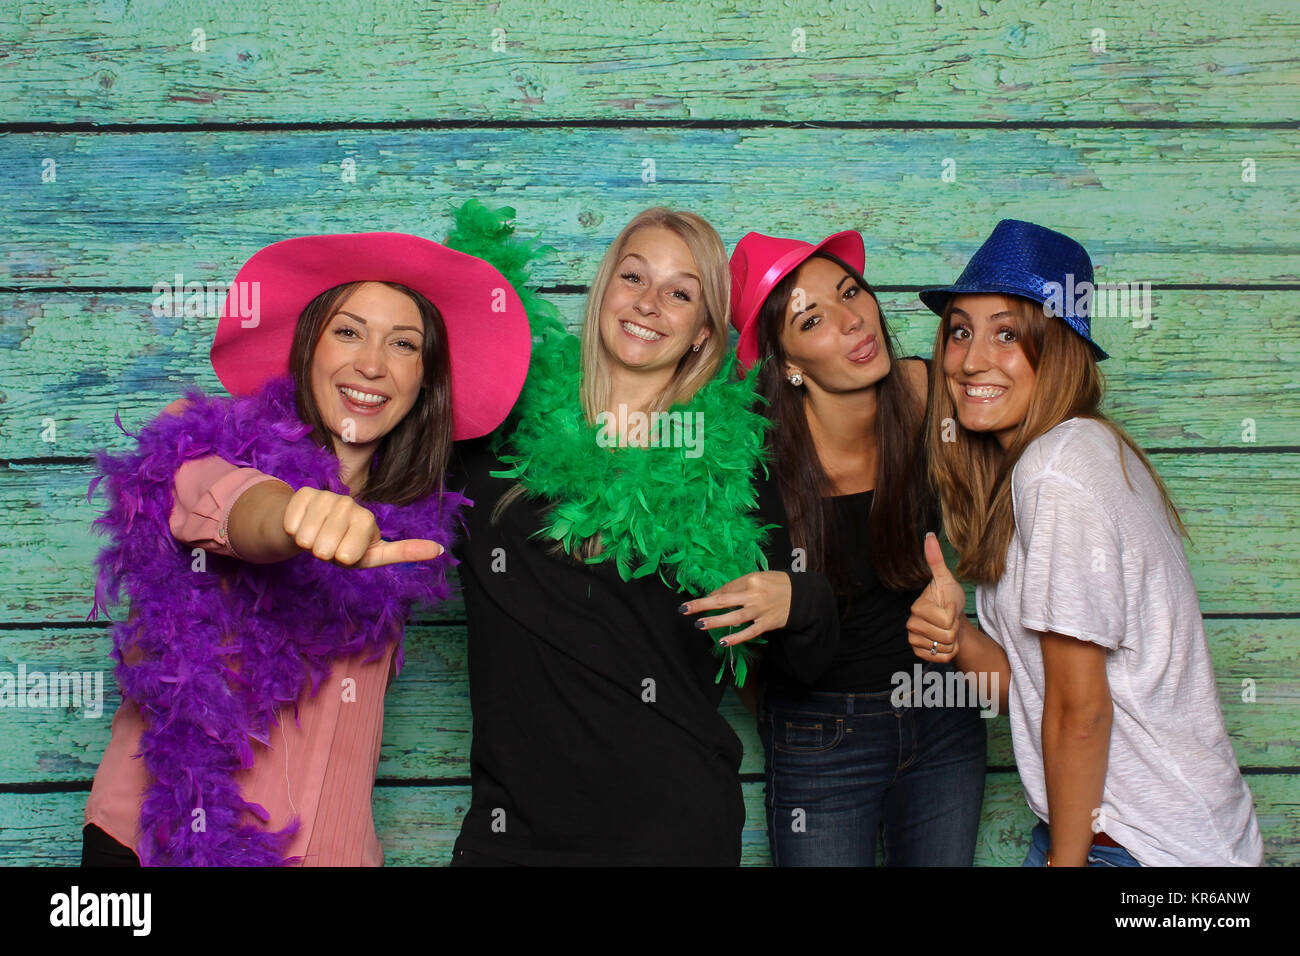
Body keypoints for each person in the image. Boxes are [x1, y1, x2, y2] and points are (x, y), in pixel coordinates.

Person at [83, 229, 531, 866]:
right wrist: (296, 515)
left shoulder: (414, 529)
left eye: (403, 344)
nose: (372, 365)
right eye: (348, 332)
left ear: (423, 380)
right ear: (308, 346)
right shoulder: (205, 453)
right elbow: (235, 508)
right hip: (158, 849)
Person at [906, 218, 1263, 866]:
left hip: (1144, 848)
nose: (972, 359)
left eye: (1007, 333)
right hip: (1113, 837)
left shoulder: (1060, 470)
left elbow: (1081, 712)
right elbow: (1038, 691)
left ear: (1059, 346)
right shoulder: (1061, 460)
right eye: (960, 330)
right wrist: (959, 638)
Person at [441, 201, 770, 865]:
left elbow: (809, 649)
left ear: (705, 332)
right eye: (634, 277)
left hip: (673, 835)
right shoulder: (496, 437)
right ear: (604, 291)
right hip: (513, 836)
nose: (649, 303)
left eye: (680, 293)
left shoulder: (734, 469)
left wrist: (803, 600)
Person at [682, 229, 987, 866]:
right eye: (812, 318)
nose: (852, 321)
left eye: (851, 292)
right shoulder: (752, 466)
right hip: (820, 738)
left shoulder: (928, 394)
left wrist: (965, 594)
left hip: (942, 714)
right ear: (787, 362)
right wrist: (788, 717)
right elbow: (740, 638)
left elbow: (1030, 460)